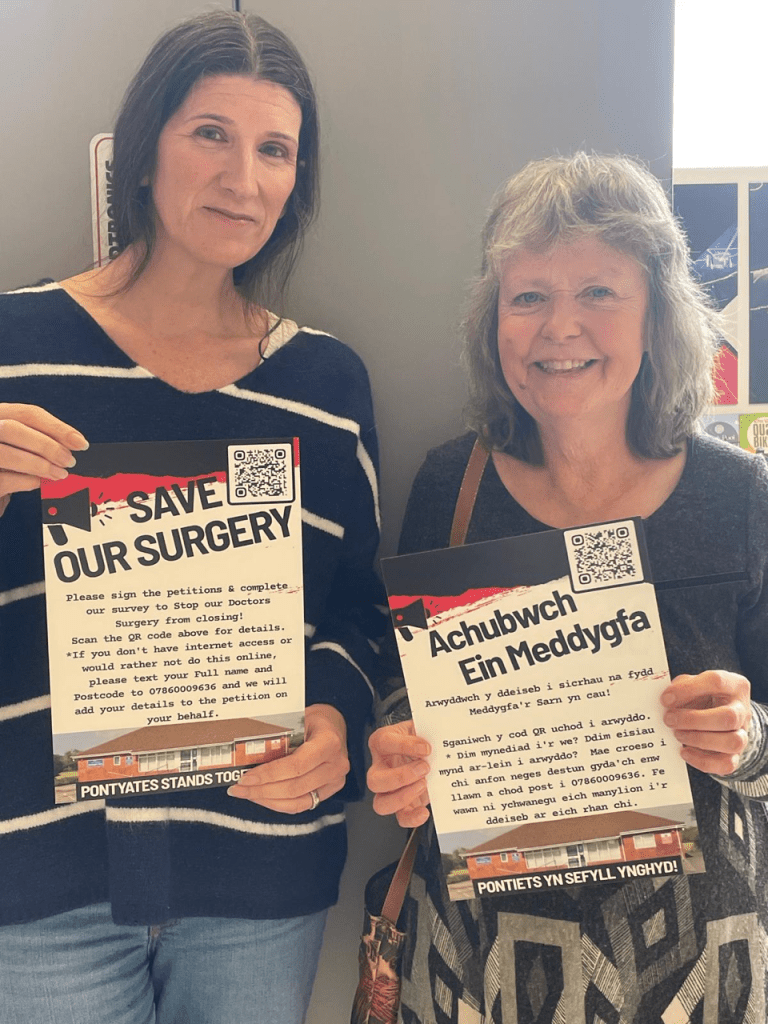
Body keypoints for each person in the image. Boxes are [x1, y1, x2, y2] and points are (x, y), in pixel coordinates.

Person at [0, 11, 383, 1024]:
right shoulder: (11, 343)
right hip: (39, 883)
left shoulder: (326, 383)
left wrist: (339, 721)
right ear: (144, 148)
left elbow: (360, 613)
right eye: (210, 133)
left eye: (275, 150)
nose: (242, 177)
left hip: (257, 879)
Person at [368, 153, 768, 1023]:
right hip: (489, 967)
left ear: (657, 315)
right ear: (494, 322)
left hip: (701, 976)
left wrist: (748, 736)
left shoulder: (741, 495)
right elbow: (400, 684)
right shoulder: (451, 486)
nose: (560, 327)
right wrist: (398, 752)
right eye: (529, 295)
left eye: (598, 292)